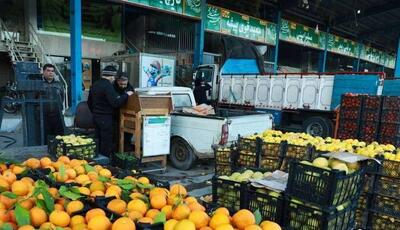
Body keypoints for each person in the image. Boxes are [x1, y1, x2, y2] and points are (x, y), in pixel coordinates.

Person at [87, 66, 133, 157]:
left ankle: (97, 160)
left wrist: (96, 112)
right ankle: (105, 162)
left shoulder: (95, 84)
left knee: (98, 139)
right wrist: (126, 95)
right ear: (112, 76)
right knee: (106, 142)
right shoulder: (108, 86)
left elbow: (89, 102)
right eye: (114, 77)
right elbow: (115, 103)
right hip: (106, 118)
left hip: (96, 117)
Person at [41, 63, 65, 140]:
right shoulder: (39, 84)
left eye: (52, 71)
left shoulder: (59, 85)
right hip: (43, 116)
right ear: (43, 71)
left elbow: (62, 97)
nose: (51, 73)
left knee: (59, 137)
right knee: (45, 138)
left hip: (57, 115)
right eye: (48, 70)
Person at [112, 72, 134, 152]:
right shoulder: (112, 88)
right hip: (115, 116)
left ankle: (125, 152)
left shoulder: (130, 87)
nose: (123, 86)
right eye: (121, 84)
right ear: (117, 81)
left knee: (128, 136)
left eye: (125, 84)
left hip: (127, 116)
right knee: (116, 137)